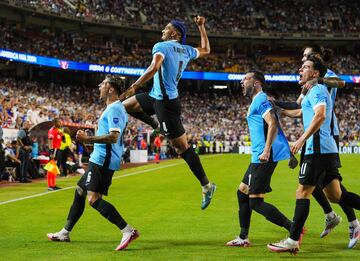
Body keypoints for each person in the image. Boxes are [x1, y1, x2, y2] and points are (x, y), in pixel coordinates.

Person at [120, 16, 216, 209]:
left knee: (182, 148)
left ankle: (207, 185)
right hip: (156, 96)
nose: (163, 30)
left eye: (166, 28)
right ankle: (156, 125)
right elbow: (206, 49)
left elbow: (154, 67)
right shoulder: (187, 50)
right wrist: (202, 27)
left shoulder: (161, 46)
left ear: (175, 33)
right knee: (122, 107)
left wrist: (134, 86)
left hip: (166, 104)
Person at [268, 56, 360, 254]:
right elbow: (302, 112)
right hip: (325, 150)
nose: (300, 69)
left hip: (316, 150)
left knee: (302, 192)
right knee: (337, 195)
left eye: (306, 67)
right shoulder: (311, 91)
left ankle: (292, 239)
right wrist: (281, 110)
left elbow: (320, 115)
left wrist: (301, 140)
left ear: (316, 73)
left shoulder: (318, 89)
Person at [47, 75, 139, 251]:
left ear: (111, 89)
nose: (99, 85)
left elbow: (114, 136)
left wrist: (88, 139)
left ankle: (128, 230)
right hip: (100, 157)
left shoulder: (114, 109)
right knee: (80, 191)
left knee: (94, 199)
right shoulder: (112, 107)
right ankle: (65, 232)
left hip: (104, 160)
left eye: (103, 83)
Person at [297, 45, 359, 248]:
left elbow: (341, 82)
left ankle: (350, 221)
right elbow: (299, 106)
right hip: (312, 136)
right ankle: (332, 215)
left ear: (316, 58)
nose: (303, 59)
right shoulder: (308, 83)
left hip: (326, 134)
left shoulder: (324, 76)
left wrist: (319, 80)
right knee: (320, 184)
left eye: (307, 56)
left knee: (314, 183)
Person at [226, 71, 294, 247]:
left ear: (256, 83)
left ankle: (294, 228)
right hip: (257, 157)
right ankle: (243, 237)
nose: (242, 82)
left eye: (246, 79)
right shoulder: (258, 100)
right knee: (242, 192)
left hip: (263, 157)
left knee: (255, 201)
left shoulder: (261, 99)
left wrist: (266, 150)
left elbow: (272, 123)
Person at [47, 118, 63, 190]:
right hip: (54, 150)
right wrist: (51, 152)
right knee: (51, 168)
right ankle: (50, 185)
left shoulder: (58, 131)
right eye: (59, 122)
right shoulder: (52, 130)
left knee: (54, 168)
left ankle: (53, 184)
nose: (61, 123)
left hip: (57, 149)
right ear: (55, 123)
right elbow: (50, 141)